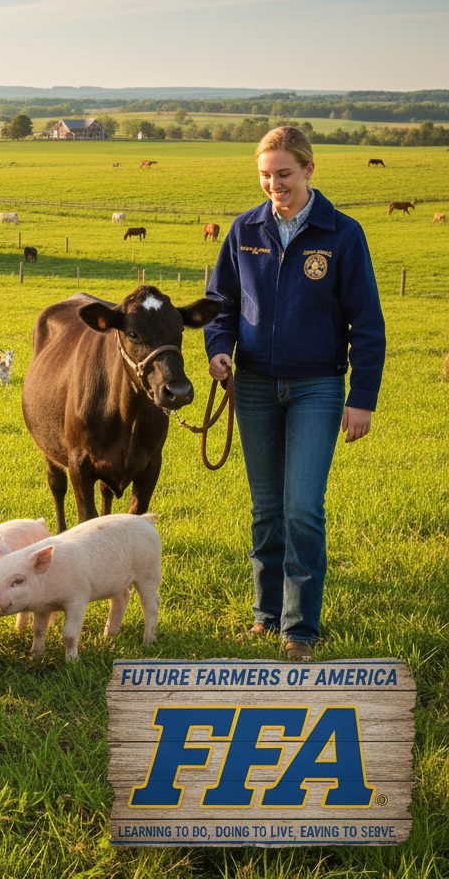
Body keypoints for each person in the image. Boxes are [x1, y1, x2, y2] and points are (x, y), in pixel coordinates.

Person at [204, 126, 385, 661]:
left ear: (308, 169)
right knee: (266, 509)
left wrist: (363, 397)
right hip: (254, 385)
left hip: (319, 387)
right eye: (265, 175)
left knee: (302, 507)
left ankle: (300, 628)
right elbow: (222, 303)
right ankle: (265, 617)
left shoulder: (342, 234)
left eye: (283, 173)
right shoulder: (243, 230)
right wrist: (220, 347)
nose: (273, 185)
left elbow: (367, 324)